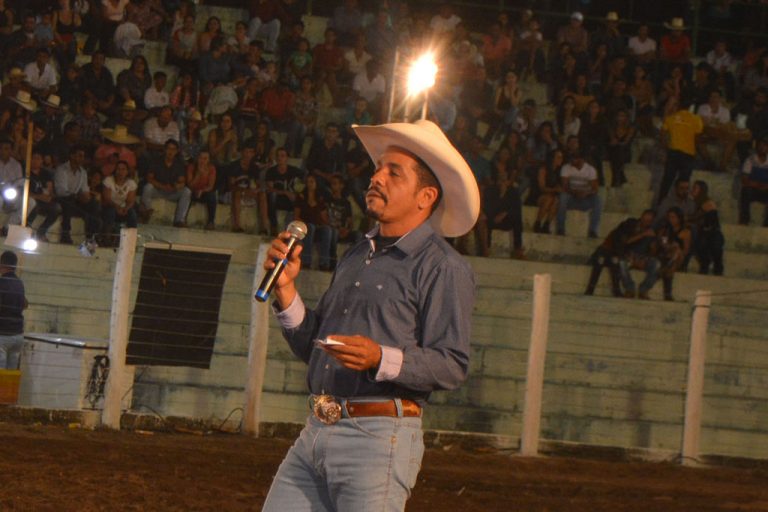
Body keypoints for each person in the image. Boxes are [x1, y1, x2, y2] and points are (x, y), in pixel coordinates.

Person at [261, 119, 479, 511]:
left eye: (394, 173)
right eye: (378, 169)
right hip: (317, 429)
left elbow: (452, 363)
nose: (376, 177)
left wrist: (380, 357)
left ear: (426, 196)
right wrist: (286, 290)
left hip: (379, 439)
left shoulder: (443, 267)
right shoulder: (358, 253)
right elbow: (318, 348)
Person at [658, 95, 703, 205]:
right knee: (684, 182)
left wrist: (666, 148)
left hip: (673, 152)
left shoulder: (671, 118)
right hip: (688, 154)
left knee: (667, 180)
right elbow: (698, 138)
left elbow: (662, 134)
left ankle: (660, 204)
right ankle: (681, 205)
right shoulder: (696, 119)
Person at [54, 145, 102, 244]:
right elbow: (61, 191)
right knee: (69, 200)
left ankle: (91, 236)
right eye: (79, 156)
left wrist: (87, 197)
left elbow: (84, 189)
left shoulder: (83, 172)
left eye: (83, 156)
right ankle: (65, 234)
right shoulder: (62, 169)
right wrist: (77, 196)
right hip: (62, 198)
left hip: (76, 199)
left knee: (93, 204)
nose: (82, 158)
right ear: (72, 156)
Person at [140, 139, 191, 227]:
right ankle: (146, 212)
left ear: (177, 151)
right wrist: (162, 186)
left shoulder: (179, 164)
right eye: (169, 149)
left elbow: (182, 181)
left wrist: (177, 186)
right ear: (165, 149)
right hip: (158, 190)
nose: (171, 152)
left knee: (187, 191)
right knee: (147, 187)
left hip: (172, 191)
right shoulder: (156, 161)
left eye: (173, 149)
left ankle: (179, 220)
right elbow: (149, 178)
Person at [556, 152, 602, 238]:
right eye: (572, 158)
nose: (572, 160)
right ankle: (560, 229)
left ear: (581, 160)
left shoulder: (590, 169)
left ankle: (593, 230)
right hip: (571, 198)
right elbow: (565, 187)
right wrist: (575, 192)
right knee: (563, 197)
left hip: (585, 199)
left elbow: (595, 189)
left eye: (574, 158)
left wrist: (586, 193)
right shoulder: (566, 167)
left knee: (598, 200)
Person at [618, 210, 660, 300]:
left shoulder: (652, 231)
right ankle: (630, 289)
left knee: (656, 264)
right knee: (622, 262)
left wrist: (654, 245)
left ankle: (643, 290)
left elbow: (653, 252)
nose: (645, 222)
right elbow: (626, 241)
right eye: (644, 219)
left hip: (642, 258)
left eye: (649, 221)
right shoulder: (631, 224)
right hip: (629, 256)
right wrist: (643, 235)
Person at [657, 207, 691, 302]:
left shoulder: (686, 232)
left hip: (678, 258)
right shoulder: (664, 231)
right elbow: (663, 245)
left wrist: (676, 249)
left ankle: (668, 266)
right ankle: (667, 293)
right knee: (673, 254)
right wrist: (670, 246)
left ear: (679, 218)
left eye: (673, 217)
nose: (671, 219)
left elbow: (686, 250)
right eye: (669, 217)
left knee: (677, 250)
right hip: (665, 256)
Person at [690, 180, 724, 276]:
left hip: (712, 232)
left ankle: (716, 267)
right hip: (701, 232)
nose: (692, 190)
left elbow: (699, 218)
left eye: (695, 188)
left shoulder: (708, 203)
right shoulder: (693, 203)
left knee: (714, 242)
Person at [0, 250, 26, 370]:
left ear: (2, 264)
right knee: (11, 374)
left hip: (3, 335)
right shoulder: (20, 283)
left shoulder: (1, 283)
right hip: (18, 335)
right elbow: (25, 304)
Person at [101, 159, 137, 242]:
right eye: (118, 169)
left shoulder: (131, 183)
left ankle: (131, 240)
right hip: (109, 207)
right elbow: (107, 198)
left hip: (123, 208)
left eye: (123, 169)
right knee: (110, 212)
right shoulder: (108, 180)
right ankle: (106, 238)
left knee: (132, 214)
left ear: (127, 171)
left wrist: (126, 209)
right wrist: (117, 207)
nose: (120, 172)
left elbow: (130, 201)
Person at [739, 136, 768, 227]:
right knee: (745, 191)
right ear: (757, 147)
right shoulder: (750, 160)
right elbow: (744, 180)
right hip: (753, 190)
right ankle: (744, 221)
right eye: (760, 145)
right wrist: (758, 185)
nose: (762, 148)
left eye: (765, 145)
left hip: (766, 191)